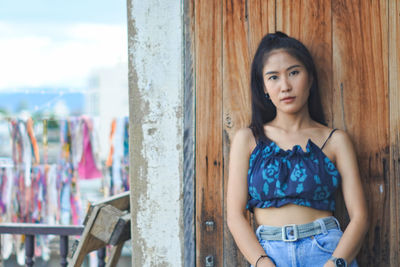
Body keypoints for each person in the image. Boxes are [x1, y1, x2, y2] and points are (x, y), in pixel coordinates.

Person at [227, 32, 368, 267]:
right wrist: (261, 262)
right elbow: (234, 216)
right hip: (268, 254)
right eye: (273, 77)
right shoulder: (248, 139)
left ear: (310, 78)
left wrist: (335, 263)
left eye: (294, 72)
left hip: (326, 251)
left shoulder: (335, 140)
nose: (285, 86)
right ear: (263, 86)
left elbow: (360, 216)